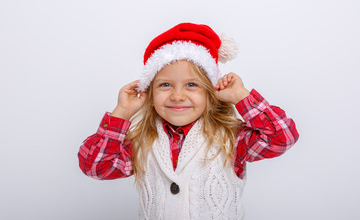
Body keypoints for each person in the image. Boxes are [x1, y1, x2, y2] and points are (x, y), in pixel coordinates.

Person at [78, 22, 299, 219]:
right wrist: (122, 112)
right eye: (165, 85)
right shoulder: (142, 142)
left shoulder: (232, 138)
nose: (177, 96)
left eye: (191, 85)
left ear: (211, 91)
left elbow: (282, 137)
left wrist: (242, 96)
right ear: (149, 93)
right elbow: (96, 167)